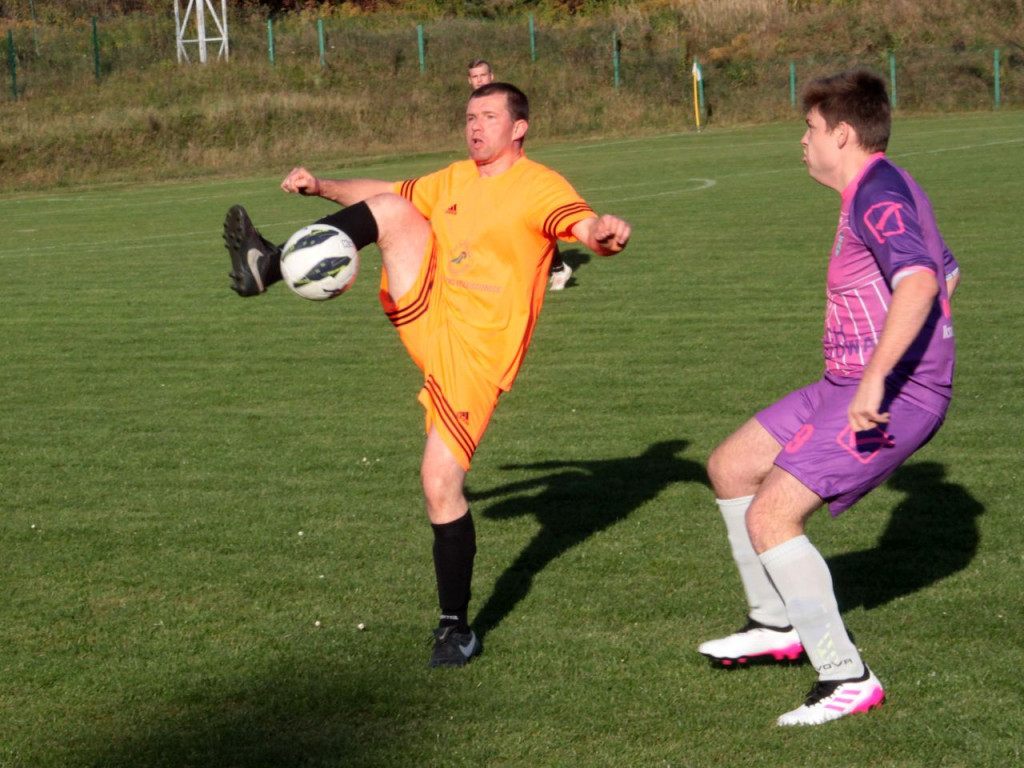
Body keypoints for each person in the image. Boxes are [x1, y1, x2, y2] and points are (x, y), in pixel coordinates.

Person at [223, 82, 631, 668]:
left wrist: (602, 236)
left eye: (489, 116)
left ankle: (454, 627)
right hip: (430, 307)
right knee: (393, 209)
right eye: (470, 116)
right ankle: (272, 260)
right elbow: (386, 193)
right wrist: (322, 186)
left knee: (438, 484)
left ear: (519, 128)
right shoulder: (456, 178)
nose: (475, 126)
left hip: (476, 354)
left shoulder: (538, 185)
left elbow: (580, 224)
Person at [699, 69, 959, 726]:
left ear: (843, 134)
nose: (803, 142)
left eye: (811, 129)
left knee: (772, 516)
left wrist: (882, 376)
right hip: (844, 385)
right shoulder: (878, 188)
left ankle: (846, 675)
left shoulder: (878, 194)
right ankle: (774, 622)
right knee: (731, 467)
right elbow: (950, 267)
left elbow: (923, 281)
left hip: (889, 395)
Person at [466, 58, 573, 291]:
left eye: (483, 75)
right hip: (484, 170)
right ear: (469, 80)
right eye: (475, 77)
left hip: (508, 170)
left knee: (528, 217)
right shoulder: (474, 103)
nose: (479, 80)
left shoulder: (502, 99)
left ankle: (556, 267)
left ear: (491, 76)